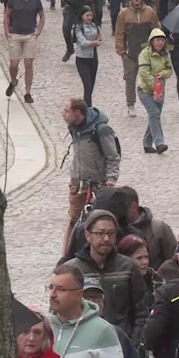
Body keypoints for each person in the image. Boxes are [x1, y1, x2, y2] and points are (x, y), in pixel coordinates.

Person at [63, 210, 147, 341]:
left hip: (120, 342)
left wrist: (133, 344)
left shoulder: (128, 267)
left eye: (111, 233)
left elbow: (141, 311)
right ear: (88, 236)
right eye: (100, 234)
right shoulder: (73, 269)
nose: (106, 239)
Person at [61, 98, 121, 247]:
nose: (63, 114)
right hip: (78, 181)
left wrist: (111, 180)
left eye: (66, 111)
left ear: (77, 113)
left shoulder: (101, 130)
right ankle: (65, 257)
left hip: (99, 184)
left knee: (104, 219)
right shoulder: (73, 126)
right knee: (73, 220)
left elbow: (113, 156)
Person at [115, 0, 161, 119]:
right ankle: (130, 104)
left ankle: (152, 103)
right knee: (130, 79)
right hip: (130, 53)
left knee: (150, 79)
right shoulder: (124, 13)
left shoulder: (150, 12)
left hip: (146, 53)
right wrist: (121, 52)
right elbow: (119, 33)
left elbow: (155, 31)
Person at [3, 0, 46, 104]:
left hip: (29, 35)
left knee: (28, 64)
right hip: (15, 34)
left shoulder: (36, 1)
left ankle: (27, 92)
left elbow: (42, 16)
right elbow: (7, 15)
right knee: (14, 64)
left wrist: (38, 30)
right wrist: (6, 30)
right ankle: (13, 80)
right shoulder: (13, 0)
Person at [137, 29, 175, 154]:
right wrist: (155, 89)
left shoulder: (165, 55)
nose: (160, 43)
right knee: (154, 114)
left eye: (162, 40)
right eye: (157, 40)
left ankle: (147, 143)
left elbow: (169, 70)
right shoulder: (144, 54)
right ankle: (159, 143)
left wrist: (163, 73)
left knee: (155, 115)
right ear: (151, 41)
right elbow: (144, 73)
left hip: (160, 90)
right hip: (145, 90)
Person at [72, 6, 102, 107]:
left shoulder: (95, 25)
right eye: (87, 15)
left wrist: (98, 40)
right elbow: (82, 42)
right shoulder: (78, 27)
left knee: (91, 85)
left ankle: (86, 104)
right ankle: (88, 107)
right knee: (87, 84)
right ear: (82, 16)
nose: (89, 18)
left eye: (91, 15)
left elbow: (99, 35)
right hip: (82, 59)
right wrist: (94, 43)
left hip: (93, 57)